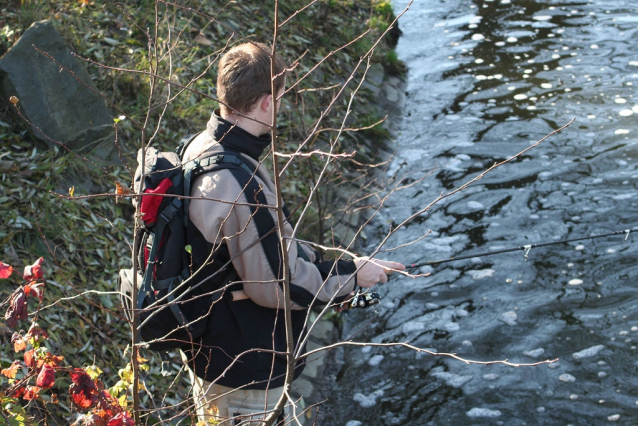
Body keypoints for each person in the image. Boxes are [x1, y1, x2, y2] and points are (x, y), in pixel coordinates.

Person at [180, 41, 404, 425]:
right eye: (280, 98)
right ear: (267, 103)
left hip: (213, 352)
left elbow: (267, 250)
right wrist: (353, 276)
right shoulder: (239, 184)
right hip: (245, 371)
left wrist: (336, 267)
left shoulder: (202, 147)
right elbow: (277, 284)